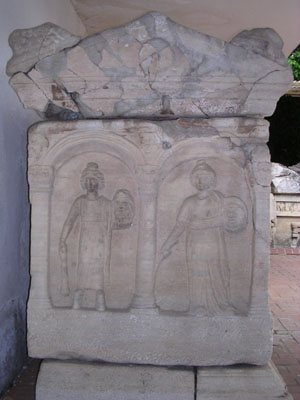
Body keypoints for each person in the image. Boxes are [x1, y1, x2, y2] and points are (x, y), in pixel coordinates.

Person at [156, 160, 232, 315]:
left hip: (215, 242)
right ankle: (198, 306)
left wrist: (205, 223)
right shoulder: (189, 202)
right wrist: (167, 245)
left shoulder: (218, 199)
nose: (201, 181)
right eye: (197, 178)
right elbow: (180, 226)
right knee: (198, 273)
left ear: (211, 179)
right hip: (196, 243)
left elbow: (229, 219)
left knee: (217, 272)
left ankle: (221, 305)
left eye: (204, 177)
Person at [59, 162, 113, 311]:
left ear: (99, 182)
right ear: (84, 182)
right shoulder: (80, 202)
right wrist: (62, 239)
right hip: (85, 240)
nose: (90, 183)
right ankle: (78, 296)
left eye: (94, 180)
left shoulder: (106, 203)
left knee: (98, 267)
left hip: (100, 240)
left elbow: (116, 221)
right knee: (83, 266)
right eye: (88, 180)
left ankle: (99, 297)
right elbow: (69, 222)